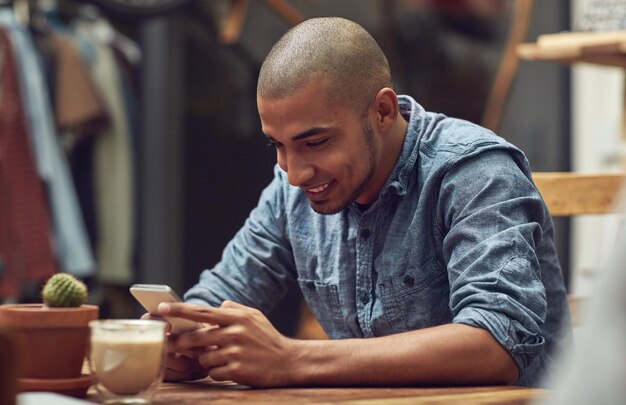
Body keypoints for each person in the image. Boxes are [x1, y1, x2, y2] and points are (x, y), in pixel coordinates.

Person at [152, 16, 572, 388]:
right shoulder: (291, 190)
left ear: (384, 111)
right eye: (277, 145)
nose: (295, 173)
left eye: (315, 142)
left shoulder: (474, 173)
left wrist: (292, 359)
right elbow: (221, 293)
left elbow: (498, 342)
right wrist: (184, 342)